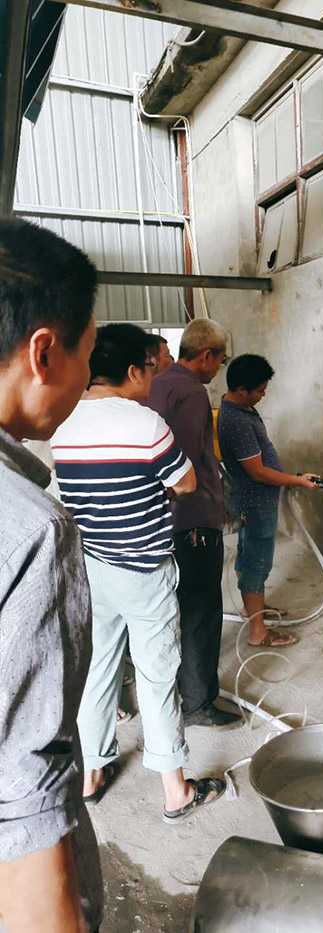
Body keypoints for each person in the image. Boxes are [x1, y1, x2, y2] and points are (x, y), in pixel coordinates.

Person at [51, 323, 225, 824]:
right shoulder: (145, 424)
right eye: (151, 366)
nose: (155, 376)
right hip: (144, 568)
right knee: (156, 674)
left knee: (98, 669)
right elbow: (185, 483)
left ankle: (91, 774)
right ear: (131, 371)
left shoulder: (64, 422)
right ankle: (176, 791)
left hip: (92, 568)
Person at [0, 218, 102, 932]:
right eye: (85, 358)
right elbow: (25, 798)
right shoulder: (33, 530)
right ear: (43, 353)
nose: (85, 381)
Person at [148, 319, 240, 728]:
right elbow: (182, 466)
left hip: (163, 520)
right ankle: (198, 702)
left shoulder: (156, 383)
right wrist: (207, 506)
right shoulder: (191, 392)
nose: (219, 368)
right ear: (207, 355)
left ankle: (175, 688)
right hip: (192, 520)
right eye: (221, 360)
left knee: (173, 607)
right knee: (201, 609)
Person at [218, 354, 319, 648]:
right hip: (256, 501)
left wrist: (291, 478)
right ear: (241, 390)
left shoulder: (241, 409)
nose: (264, 395)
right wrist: (296, 481)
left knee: (249, 556)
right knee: (256, 562)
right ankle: (257, 632)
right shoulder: (237, 421)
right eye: (260, 390)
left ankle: (254, 610)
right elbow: (258, 472)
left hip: (255, 499)